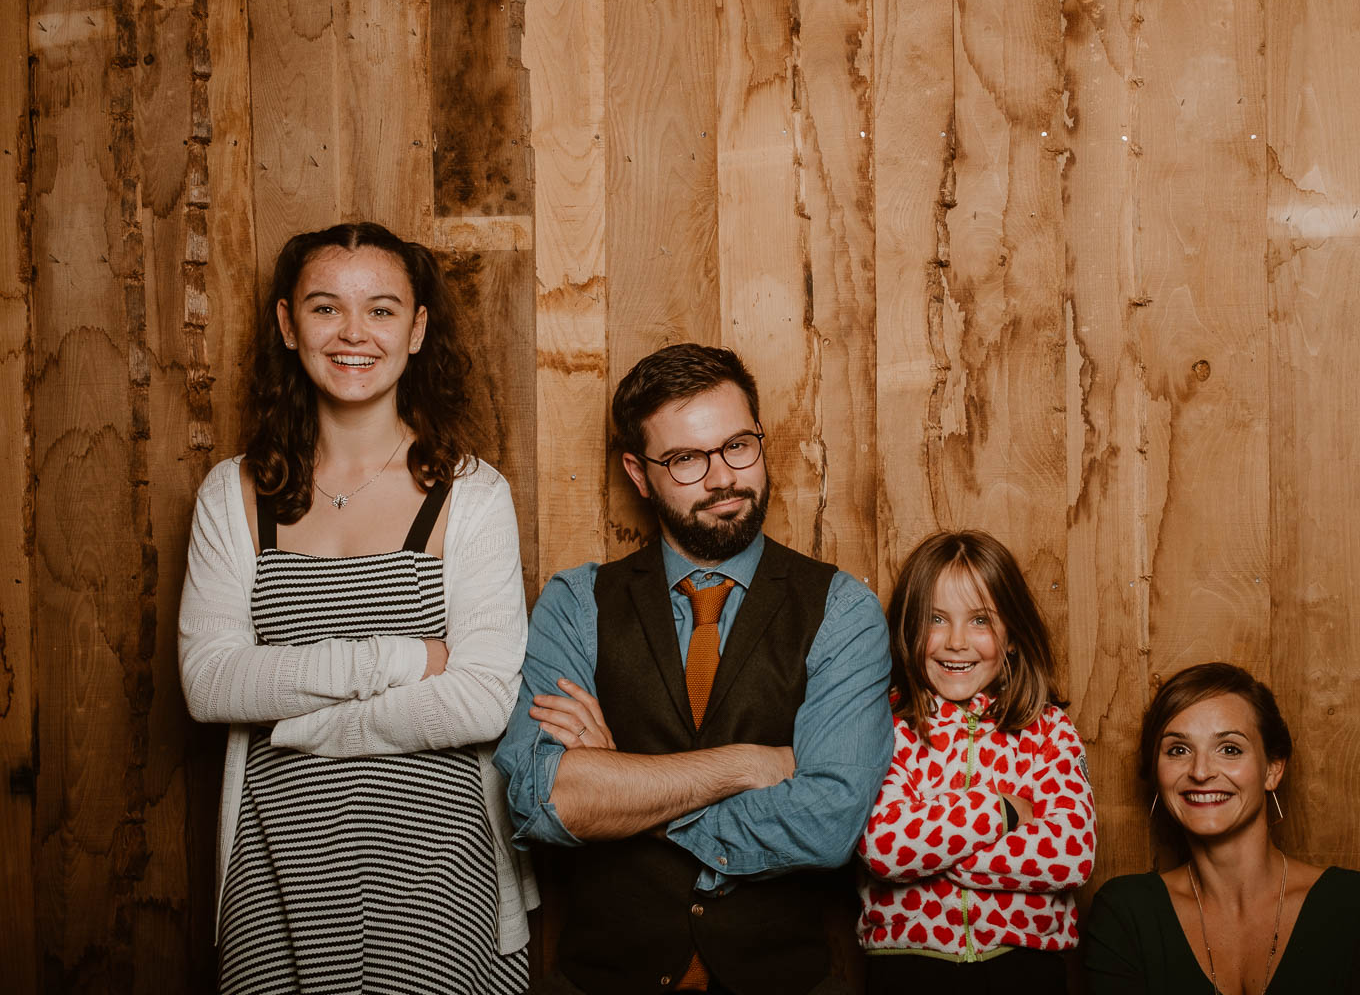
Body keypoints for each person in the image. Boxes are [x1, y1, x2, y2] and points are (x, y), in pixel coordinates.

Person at [178, 222, 537, 994]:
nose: (352, 334)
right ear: (286, 324)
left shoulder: (472, 494)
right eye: (324, 308)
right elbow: (209, 684)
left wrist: (305, 725)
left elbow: (480, 700)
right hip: (277, 859)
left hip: (442, 864)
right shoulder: (233, 492)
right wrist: (404, 658)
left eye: (380, 310)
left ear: (417, 330)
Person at [494, 343, 893, 995]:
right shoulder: (575, 602)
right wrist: (746, 766)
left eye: (739, 445)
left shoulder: (842, 608)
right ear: (639, 471)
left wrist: (619, 785)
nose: (722, 479)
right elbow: (543, 801)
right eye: (685, 459)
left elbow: (827, 824)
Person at [1082, 662, 1360, 994]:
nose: (1200, 771)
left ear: (1273, 768)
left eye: (1229, 749)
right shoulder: (1126, 914)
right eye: (1178, 750)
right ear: (1157, 773)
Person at [855, 530, 1095, 989]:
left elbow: (1072, 855)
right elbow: (884, 848)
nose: (957, 642)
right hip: (905, 967)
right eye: (936, 619)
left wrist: (931, 853)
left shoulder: (1046, 730)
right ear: (909, 627)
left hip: (1025, 967)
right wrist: (1000, 811)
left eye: (981, 620)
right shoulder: (887, 726)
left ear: (1011, 637)